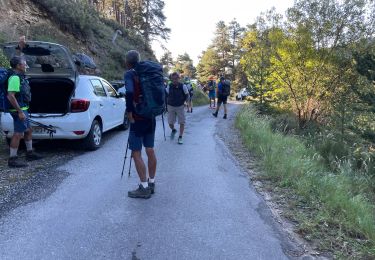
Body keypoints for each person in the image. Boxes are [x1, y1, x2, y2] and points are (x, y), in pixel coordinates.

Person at [124, 50, 157, 199]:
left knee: (136, 153)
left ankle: (143, 187)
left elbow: (130, 92)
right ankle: (151, 183)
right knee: (150, 149)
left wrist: (129, 112)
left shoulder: (130, 74)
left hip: (137, 117)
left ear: (127, 62)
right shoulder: (149, 73)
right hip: (150, 116)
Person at [7, 54, 43, 168]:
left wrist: (21, 46)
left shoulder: (20, 76)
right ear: (18, 66)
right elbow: (10, 96)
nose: (26, 65)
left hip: (23, 109)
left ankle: (30, 153)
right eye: (24, 63)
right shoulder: (15, 78)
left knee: (28, 130)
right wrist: (20, 112)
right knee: (18, 134)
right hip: (19, 110)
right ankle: (12, 159)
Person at [166, 72, 189, 144]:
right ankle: (173, 130)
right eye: (173, 79)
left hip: (180, 106)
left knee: (182, 122)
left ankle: (180, 137)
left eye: (176, 79)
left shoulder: (183, 86)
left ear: (179, 78)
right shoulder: (169, 86)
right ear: (171, 79)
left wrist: (186, 103)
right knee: (170, 123)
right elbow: (165, 95)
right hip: (170, 106)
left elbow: (187, 95)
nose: (174, 80)